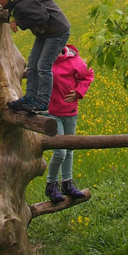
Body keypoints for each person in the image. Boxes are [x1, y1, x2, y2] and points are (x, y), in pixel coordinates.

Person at [0, 0, 70, 114]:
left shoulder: (26, 1)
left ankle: (42, 102)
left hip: (57, 31)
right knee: (32, 64)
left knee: (43, 66)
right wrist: (12, 16)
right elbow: (13, 4)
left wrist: (18, 22)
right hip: (44, 32)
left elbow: (41, 18)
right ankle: (30, 97)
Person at [45, 45, 94, 204]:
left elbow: (88, 74)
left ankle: (67, 183)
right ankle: (51, 184)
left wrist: (79, 92)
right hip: (52, 113)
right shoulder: (45, 60)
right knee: (60, 153)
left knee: (70, 149)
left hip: (70, 112)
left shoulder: (73, 60)